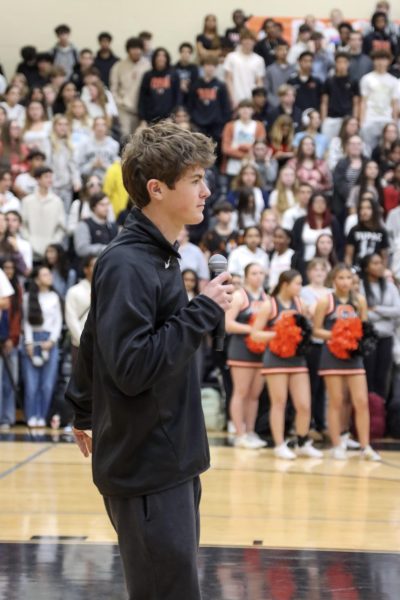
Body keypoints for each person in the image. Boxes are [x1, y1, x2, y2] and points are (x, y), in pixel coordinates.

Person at [66, 122, 233, 599]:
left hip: (166, 461)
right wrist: (204, 310)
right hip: (146, 467)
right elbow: (133, 365)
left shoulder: (158, 256)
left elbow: (95, 336)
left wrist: (81, 406)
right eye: (196, 179)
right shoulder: (129, 263)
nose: (207, 190)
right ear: (157, 189)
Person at [251, 269, 323, 459]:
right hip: (275, 359)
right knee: (279, 402)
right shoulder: (270, 305)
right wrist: (279, 335)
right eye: (298, 283)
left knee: (304, 405)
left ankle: (301, 441)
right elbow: (255, 333)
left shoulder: (301, 304)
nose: (300, 287)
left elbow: (311, 325)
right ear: (285, 284)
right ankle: (279, 444)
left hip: (297, 358)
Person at [313, 264, 381, 460]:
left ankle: (365, 446)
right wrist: (338, 334)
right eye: (340, 278)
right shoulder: (325, 301)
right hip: (332, 355)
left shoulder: (359, 301)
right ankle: (337, 445)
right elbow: (317, 330)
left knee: (360, 401)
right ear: (333, 280)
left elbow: (365, 329)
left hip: (353, 357)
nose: (344, 282)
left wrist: (355, 338)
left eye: (348, 278)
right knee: (336, 401)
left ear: (353, 281)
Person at [225, 262, 267, 448]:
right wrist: (254, 329)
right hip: (241, 349)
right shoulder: (239, 296)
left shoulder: (267, 298)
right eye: (254, 273)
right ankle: (239, 434)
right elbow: (228, 324)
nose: (258, 276)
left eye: (261, 273)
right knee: (241, 392)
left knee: (254, 394)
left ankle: (250, 431)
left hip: (261, 350)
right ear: (246, 275)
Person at [22, 266, 63, 428]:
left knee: (47, 384)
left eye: (49, 273)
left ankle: (42, 416)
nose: (49, 276)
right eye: (45, 274)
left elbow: (58, 321)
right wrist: (29, 342)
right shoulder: (28, 297)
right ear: (37, 279)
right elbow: (26, 321)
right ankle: (31, 415)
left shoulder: (54, 297)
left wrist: (52, 341)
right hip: (33, 339)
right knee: (31, 384)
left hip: (49, 340)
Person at [360, 253, 400, 399]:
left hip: (387, 337)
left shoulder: (390, 286)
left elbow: (398, 310)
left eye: (380, 263)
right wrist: (385, 314)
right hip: (369, 338)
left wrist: (376, 309)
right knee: (368, 376)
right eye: (375, 263)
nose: (379, 266)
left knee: (382, 378)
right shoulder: (360, 285)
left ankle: (379, 415)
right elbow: (362, 313)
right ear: (366, 267)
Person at [301, 258, 331, 433]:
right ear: (309, 273)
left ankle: (321, 422)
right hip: (312, 343)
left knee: (324, 385)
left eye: (322, 269)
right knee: (312, 384)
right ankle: (309, 422)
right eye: (315, 269)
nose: (319, 273)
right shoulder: (303, 291)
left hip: (329, 343)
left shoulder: (331, 292)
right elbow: (306, 314)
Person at [292, 192, 343, 280]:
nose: (320, 205)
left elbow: (339, 243)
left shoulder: (333, 221)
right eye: (316, 202)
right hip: (305, 261)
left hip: (327, 262)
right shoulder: (301, 222)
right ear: (311, 204)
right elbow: (295, 242)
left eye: (322, 202)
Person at [21, 166, 66, 261]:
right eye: (46, 177)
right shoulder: (27, 201)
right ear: (38, 179)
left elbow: (61, 227)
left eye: (51, 177)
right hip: (31, 251)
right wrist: (29, 241)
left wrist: (53, 243)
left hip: (51, 253)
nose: (50, 180)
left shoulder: (57, 201)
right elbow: (22, 225)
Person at [359, 50, 399, 152]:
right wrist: (362, 121)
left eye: (384, 59)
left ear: (389, 61)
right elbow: (363, 101)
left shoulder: (393, 80)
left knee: (389, 148)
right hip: (370, 118)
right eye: (377, 59)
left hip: (387, 118)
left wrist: (394, 121)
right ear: (373, 61)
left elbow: (394, 103)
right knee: (367, 148)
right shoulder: (366, 79)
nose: (380, 62)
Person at [110, 37, 150, 137]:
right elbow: (113, 88)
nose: (136, 51)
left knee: (141, 138)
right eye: (133, 48)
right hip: (124, 109)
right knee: (125, 137)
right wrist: (119, 101)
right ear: (128, 50)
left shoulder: (148, 65)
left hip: (142, 110)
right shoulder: (118, 66)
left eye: (138, 48)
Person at [0, 259, 22, 430]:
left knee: (9, 381)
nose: (9, 270)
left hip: (9, 338)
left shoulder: (16, 289)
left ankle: (7, 418)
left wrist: (11, 337)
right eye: (6, 267)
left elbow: (15, 315)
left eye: (11, 267)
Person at [188, 56, 231, 142]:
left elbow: (225, 106)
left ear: (216, 67)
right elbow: (190, 104)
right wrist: (193, 119)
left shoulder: (221, 85)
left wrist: (222, 123)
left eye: (213, 65)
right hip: (198, 124)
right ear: (203, 66)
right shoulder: (195, 85)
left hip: (216, 125)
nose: (210, 68)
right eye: (207, 65)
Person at [320, 52, 360, 141]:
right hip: (331, 118)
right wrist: (324, 120)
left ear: (348, 64)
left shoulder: (353, 81)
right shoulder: (329, 81)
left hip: (347, 118)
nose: (342, 65)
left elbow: (356, 103)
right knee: (328, 144)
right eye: (339, 62)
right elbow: (324, 102)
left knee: (347, 143)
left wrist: (355, 119)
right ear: (335, 63)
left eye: (344, 62)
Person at [221, 100, 266, 176]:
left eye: (248, 107)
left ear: (253, 110)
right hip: (233, 167)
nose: (245, 110)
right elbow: (225, 149)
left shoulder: (259, 126)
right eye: (242, 107)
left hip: (253, 167)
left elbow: (261, 148)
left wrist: (241, 147)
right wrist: (245, 155)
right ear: (238, 110)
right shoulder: (230, 126)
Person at [65, 255, 96, 366]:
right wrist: (83, 342)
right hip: (80, 345)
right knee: (81, 382)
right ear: (86, 269)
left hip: (103, 347)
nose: (98, 267)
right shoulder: (74, 291)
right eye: (93, 265)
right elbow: (71, 319)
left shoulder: (108, 290)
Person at [138, 48, 181, 125]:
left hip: (168, 119)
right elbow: (142, 98)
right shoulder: (148, 75)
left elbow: (177, 97)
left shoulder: (174, 74)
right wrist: (142, 118)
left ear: (167, 59)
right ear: (154, 58)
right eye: (158, 56)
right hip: (150, 118)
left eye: (163, 56)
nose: (161, 58)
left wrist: (172, 116)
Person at [223, 29, 265, 108]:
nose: (248, 42)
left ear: (254, 42)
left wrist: (257, 99)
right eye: (245, 39)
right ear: (241, 41)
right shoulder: (231, 57)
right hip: (235, 98)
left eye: (251, 40)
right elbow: (228, 79)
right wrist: (232, 98)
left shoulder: (259, 60)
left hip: (251, 100)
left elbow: (259, 81)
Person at [345, 196, 389, 268]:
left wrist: (382, 272)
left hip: (375, 270)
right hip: (356, 269)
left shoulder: (381, 231)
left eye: (368, 208)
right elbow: (348, 256)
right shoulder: (354, 230)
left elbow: (384, 258)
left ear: (374, 210)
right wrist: (350, 272)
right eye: (362, 208)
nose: (364, 211)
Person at [49, 114, 81, 210]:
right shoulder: (48, 142)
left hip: (66, 188)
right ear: (54, 126)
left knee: (66, 214)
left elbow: (74, 166)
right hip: (52, 187)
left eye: (66, 124)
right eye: (60, 124)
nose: (63, 127)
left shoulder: (70, 145)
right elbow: (46, 165)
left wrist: (76, 180)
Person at [74, 192, 118, 258]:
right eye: (102, 204)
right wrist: (105, 249)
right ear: (93, 206)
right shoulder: (84, 225)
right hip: (91, 265)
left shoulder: (112, 226)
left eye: (107, 204)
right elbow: (81, 249)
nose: (106, 208)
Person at [268, 227, 294, 291]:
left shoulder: (294, 256)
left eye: (280, 237)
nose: (276, 240)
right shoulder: (271, 255)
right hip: (271, 291)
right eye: (275, 237)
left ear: (288, 240)